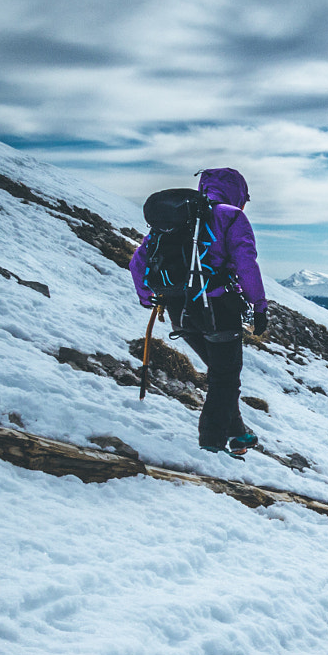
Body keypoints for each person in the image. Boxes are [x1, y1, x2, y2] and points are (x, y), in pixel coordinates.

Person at [130, 167, 269, 457]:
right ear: (238, 191)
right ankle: (212, 443)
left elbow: (138, 261)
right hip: (216, 308)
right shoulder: (230, 216)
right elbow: (246, 264)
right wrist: (259, 305)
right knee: (226, 377)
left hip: (178, 309)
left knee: (221, 373)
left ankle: (239, 432)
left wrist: (148, 297)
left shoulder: (178, 218)